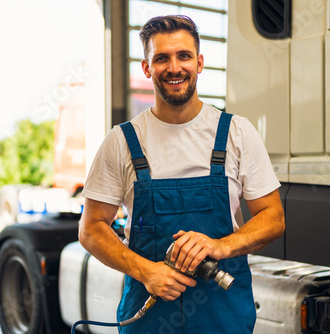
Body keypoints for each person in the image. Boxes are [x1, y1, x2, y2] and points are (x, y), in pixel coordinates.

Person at [79, 15, 285, 334]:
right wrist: (147, 272)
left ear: (199, 63)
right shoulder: (122, 141)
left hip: (223, 314)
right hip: (149, 313)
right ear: (147, 68)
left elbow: (273, 217)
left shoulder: (237, 134)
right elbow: (91, 228)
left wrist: (220, 246)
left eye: (183, 56)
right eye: (161, 58)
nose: (174, 68)